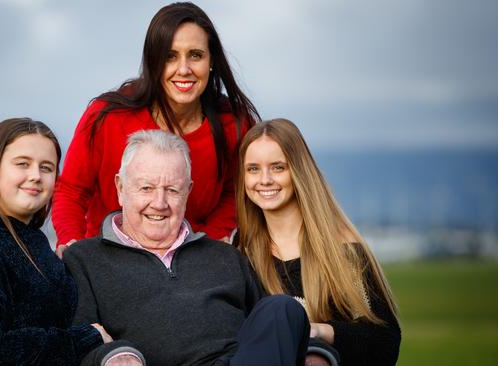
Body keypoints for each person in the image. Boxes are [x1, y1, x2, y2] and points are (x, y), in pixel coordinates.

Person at [0, 118, 144, 366]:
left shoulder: (36, 244)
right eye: (22, 164)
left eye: (47, 168)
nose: (35, 176)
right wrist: (84, 339)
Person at [64, 129, 310, 366]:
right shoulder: (84, 260)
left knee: (282, 307)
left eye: (172, 190)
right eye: (146, 188)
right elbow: (77, 344)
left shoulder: (226, 256)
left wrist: (317, 354)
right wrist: (114, 355)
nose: (159, 203)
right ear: (120, 188)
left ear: (187, 192)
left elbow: (270, 336)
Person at [52, 2, 259, 256]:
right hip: (108, 261)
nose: (183, 69)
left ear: (211, 60)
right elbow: (71, 191)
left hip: (190, 263)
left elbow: (234, 194)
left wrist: (208, 248)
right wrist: (72, 246)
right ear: (153, 61)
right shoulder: (107, 115)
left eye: (195, 55)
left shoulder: (234, 125)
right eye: (170, 56)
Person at [234, 119, 401, 365]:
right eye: (253, 169)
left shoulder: (343, 249)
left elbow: (385, 342)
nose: (265, 179)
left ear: (299, 171)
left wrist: (317, 331)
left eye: (278, 167)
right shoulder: (238, 252)